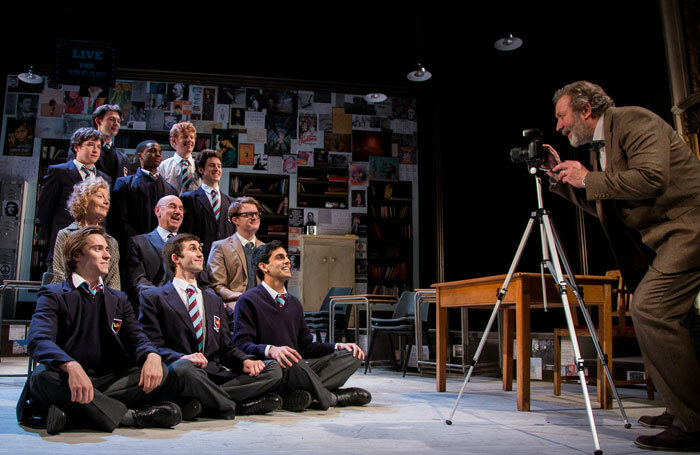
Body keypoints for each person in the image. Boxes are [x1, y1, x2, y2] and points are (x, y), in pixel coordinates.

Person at [545, 81, 700, 451]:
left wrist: (588, 177)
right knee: (671, 320)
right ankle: (680, 408)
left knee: (650, 309)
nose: (559, 127)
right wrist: (567, 183)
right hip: (665, 240)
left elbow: (652, 178)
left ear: (585, 110)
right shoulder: (601, 146)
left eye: (562, 116)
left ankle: (694, 422)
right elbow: (607, 208)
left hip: (690, 227)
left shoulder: (633, 121)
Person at [17, 225, 182, 434]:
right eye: (98, 249)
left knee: (160, 371)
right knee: (41, 378)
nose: (107, 255)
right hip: (66, 376)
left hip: (108, 378)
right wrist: (70, 365)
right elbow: (38, 339)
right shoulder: (53, 294)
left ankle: (72, 415)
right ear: (77, 255)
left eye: (107, 250)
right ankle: (129, 417)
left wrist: (151, 354)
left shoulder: (118, 299)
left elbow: (136, 337)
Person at [139, 234, 283, 418]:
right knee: (184, 369)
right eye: (192, 249)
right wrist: (184, 357)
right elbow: (152, 346)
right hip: (184, 372)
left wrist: (245, 360)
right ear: (176, 259)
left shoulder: (213, 300)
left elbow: (226, 347)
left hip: (214, 375)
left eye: (200, 249)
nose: (200, 254)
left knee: (272, 368)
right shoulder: (154, 297)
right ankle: (236, 406)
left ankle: (206, 403)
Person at [233, 240, 371, 411]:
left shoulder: (294, 303)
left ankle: (298, 395)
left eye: (287, 257)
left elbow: (306, 346)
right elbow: (241, 345)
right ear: (264, 267)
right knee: (292, 360)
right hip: (273, 369)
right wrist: (272, 350)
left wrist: (337, 346)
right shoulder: (248, 300)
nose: (287, 261)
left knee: (353, 355)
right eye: (280, 257)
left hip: (297, 368)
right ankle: (331, 398)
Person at [38, 127, 112, 266]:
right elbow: (44, 211)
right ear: (76, 147)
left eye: (98, 146)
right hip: (65, 245)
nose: (95, 150)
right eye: (90, 145)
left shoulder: (105, 179)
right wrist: (59, 235)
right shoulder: (58, 172)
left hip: (94, 249)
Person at [52, 177, 121, 290]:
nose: (106, 202)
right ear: (83, 200)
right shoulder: (66, 235)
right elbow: (60, 276)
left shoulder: (111, 242)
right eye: (100, 196)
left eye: (108, 199)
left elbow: (114, 284)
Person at [110, 140, 178, 254]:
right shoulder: (125, 184)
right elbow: (119, 219)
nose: (158, 155)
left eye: (160, 152)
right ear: (140, 156)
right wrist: (140, 242)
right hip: (131, 247)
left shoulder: (170, 189)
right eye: (152, 151)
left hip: (163, 249)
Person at [126, 195, 185, 308]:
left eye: (181, 209)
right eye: (172, 206)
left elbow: (203, 283)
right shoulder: (138, 242)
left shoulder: (191, 245)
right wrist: (163, 299)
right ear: (158, 211)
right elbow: (138, 281)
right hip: (154, 308)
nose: (178, 212)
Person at [207, 197, 264, 308]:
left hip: (262, 305)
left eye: (256, 214)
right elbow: (217, 286)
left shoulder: (266, 249)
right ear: (235, 220)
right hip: (235, 304)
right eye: (248, 214)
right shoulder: (220, 247)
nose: (255, 217)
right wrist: (239, 296)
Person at [180, 150, 233, 260]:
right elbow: (185, 234)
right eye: (212, 165)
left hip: (226, 259)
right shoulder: (188, 199)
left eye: (219, 166)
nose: (217, 169)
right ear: (201, 170)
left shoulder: (231, 202)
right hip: (199, 259)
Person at [67, 104, 133, 181]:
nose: (116, 124)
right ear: (98, 121)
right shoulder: (81, 150)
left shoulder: (124, 160)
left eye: (118, 121)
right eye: (112, 119)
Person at [158, 121, 201, 194]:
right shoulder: (163, 166)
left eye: (192, 137)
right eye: (185, 137)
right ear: (174, 141)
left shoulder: (200, 166)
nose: (189, 140)